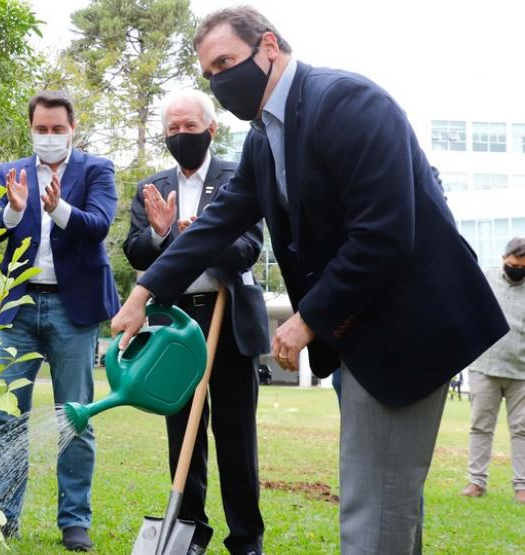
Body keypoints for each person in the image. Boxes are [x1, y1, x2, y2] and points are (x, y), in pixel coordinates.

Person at [110, 7, 508, 554]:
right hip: (357, 336)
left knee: (373, 509)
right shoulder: (262, 140)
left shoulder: (347, 104)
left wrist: (307, 319)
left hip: (407, 331)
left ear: (268, 46)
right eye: (209, 75)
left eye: (226, 63)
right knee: (389, 503)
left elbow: (385, 234)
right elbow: (216, 227)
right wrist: (142, 293)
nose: (220, 83)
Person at [123, 89, 268, 555]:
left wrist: (203, 236)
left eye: (189, 127)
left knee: (236, 438)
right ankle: (190, 531)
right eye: (172, 129)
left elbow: (249, 246)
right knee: (182, 433)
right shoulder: (152, 185)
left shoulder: (237, 177)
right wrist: (163, 233)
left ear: (211, 129)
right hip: (176, 327)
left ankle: (245, 538)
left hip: (227, 322)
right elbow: (134, 251)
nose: (180, 135)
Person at [0, 90, 120, 552]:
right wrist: (15, 209)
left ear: (72, 128)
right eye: (40, 129)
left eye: (56, 129)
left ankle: (74, 521)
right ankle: (3, 518)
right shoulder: (11, 171)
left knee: (77, 418)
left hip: (74, 307)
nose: (48, 136)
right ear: (31, 128)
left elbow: (99, 224)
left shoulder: (97, 169)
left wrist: (56, 209)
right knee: (6, 418)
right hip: (17, 307)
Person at [460, 237, 525, 504]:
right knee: (480, 427)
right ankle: (476, 482)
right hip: (484, 367)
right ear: (503, 259)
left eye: (522, 267)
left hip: (521, 373)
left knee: (522, 430)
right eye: (512, 265)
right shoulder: (485, 279)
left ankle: (522, 486)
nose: (516, 270)